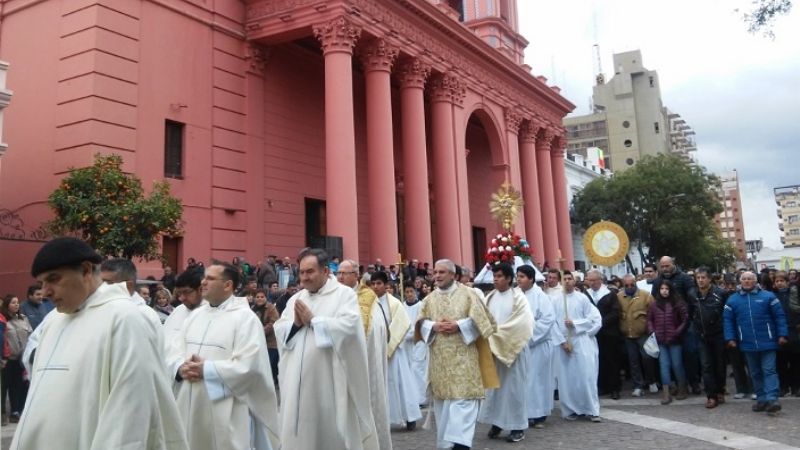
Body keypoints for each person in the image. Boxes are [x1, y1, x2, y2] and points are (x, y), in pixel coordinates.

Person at [12, 237, 188, 449]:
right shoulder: (54, 320)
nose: (46, 291)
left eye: (54, 279)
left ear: (86, 270)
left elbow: (128, 418)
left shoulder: (125, 319)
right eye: (42, 283)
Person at [168, 261, 280, 450]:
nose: (203, 282)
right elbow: (174, 350)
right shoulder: (195, 316)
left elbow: (250, 366)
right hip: (189, 403)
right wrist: (180, 367)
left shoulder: (245, 319)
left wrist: (208, 369)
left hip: (227, 409)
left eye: (210, 278)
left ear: (228, 285)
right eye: (204, 277)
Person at [274, 249, 378, 449]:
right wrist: (295, 324)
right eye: (302, 272)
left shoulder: (343, 295)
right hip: (296, 383)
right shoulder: (297, 299)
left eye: (310, 272)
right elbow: (280, 329)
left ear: (324, 271)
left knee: (329, 434)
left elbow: (349, 327)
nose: (304, 277)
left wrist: (314, 321)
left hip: (329, 380)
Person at [415, 259, 497, 450]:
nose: (437, 276)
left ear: (453, 275)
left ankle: (460, 445)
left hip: (464, 363)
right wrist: (433, 326)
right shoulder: (429, 299)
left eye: (442, 272)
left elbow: (485, 323)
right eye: (435, 272)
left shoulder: (469, 295)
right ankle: (447, 445)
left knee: (463, 405)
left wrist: (459, 325)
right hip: (440, 364)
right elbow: (420, 323)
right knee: (444, 410)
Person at [479, 263, 533, 443]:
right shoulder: (490, 297)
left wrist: (496, 337)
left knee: (514, 390)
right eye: (494, 276)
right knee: (495, 390)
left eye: (500, 276)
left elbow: (522, 323)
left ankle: (517, 426)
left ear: (509, 278)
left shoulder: (519, 298)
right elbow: (483, 320)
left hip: (513, 351)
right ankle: (497, 422)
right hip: (494, 351)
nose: (495, 279)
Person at [724, 271, 789, 414]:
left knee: (769, 370)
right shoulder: (732, 300)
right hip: (747, 343)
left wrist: (782, 334)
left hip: (768, 341)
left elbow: (779, 316)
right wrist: (730, 338)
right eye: (744, 279)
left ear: (755, 281)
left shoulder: (768, 296)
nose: (747, 281)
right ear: (740, 281)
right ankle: (761, 400)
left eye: (750, 279)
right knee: (755, 373)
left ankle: (772, 399)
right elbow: (728, 321)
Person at [371, 271, 421, 432]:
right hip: (376, 351)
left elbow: (402, 325)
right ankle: (381, 418)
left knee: (400, 384)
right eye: (373, 284)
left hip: (393, 351)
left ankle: (409, 417)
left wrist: (388, 343)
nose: (376, 287)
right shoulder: (369, 303)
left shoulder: (394, 304)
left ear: (386, 285)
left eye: (379, 283)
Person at [552, 271, 602, 422]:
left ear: (574, 281)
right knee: (567, 379)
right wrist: (562, 342)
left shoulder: (583, 299)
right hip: (563, 344)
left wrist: (575, 323)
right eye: (564, 279)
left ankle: (591, 409)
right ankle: (570, 410)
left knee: (586, 376)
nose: (567, 281)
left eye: (569, 279)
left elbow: (591, 319)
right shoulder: (555, 300)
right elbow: (552, 323)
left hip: (580, 341)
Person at [516, 265, 562, 429]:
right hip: (520, 346)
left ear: (531, 279)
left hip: (538, 344)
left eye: (522, 276)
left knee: (537, 380)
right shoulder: (516, 295)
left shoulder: (541, 297)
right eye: (517, 276)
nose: (518, 279)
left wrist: (528, 336)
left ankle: (539, 414)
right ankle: (525, 413)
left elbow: (547, 320)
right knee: (524, 380)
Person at [651, 256, 701, 395]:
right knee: (671, 359)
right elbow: (655, 300)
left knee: (690, 353)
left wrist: (688, 316)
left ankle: (694, 382)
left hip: (685, 322)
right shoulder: (658, 281)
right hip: (667, 325)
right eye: (663, 266)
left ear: (673, 264)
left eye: (667, 266)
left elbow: (692, 297)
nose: (665, 269)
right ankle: (674, 385)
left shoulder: (685, 278)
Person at [648, 279, 689, 404]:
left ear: (670, 290)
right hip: (660, 340)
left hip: (675, 340)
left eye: (666, 289)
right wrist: (652, 331)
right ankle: (666, 393)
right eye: (662, 289)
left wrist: (677, 332)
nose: (664, 291)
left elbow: (685, 319)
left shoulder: (678, 303)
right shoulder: (654, 304)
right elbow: (649, 319)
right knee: (664, 366)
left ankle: (682, 388)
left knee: (677, 364)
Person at [692, 267, 728, 408]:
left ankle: (720, 390)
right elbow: (690, 313)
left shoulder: (721, 293)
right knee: (706, 366)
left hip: (718, 334)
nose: (700, 280)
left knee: (720, 365)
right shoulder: (692, 294)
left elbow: (726, 314)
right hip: (702, 336)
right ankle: (711, 396)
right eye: (698, 277)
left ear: (709, 279)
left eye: (703, 277)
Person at [618, 274, 658, 398]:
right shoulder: (619, 297)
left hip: (643, 334)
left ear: (636, 283)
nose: (630, 287)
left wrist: (652, 330)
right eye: (627, 285)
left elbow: (654, 313)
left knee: (647, 358)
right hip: (628, 335)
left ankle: (651, 381)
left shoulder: (646, 296)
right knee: (633, 361)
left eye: (632, 284)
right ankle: (638, 385)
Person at [584, 270, 623, 399]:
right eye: (589, 280)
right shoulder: (586, 295)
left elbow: (615, 313)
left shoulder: (610, 294)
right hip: (593, 334)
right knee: (597, 360)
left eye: (594, 280)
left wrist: (600, 322)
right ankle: (602, 386)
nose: (592, 283)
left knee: (611, 360)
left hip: (609, 333)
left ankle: (614, 388)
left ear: (600, 280)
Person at [100, 258, 163, 332]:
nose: (102, 287)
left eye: (108, 283)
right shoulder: (103, 308)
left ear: (128, 285)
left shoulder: (145, 315)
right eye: (101, 282)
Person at [2, 295, 31, 424]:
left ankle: (18, 410)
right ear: (7, 305)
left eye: (18, 302)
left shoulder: (23, 319)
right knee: (7, 386)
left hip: (22, 358)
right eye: (13, 303)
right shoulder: (4, 321)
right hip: (9, 359)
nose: (16, 305)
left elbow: (30, 334)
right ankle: (7, 413)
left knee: (21, 385)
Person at [401, 285, 428, 407]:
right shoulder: (402, 306)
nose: (409, 294)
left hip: (419, 341)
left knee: (418, 369)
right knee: (408, 369)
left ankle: (421, 398)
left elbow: (422, 323)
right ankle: (411, 397)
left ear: (415, 292)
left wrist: (412, 333)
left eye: (411, 291)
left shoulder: (421, 306)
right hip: (406, 342)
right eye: (407, 291)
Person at [774, 271, 800, 397]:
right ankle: (783, 387)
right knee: (781, 362)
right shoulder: (772, 296)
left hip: (794, 331)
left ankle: (796, 387)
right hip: (779, 334)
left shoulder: (794, 294)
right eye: (777, 281)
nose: (779, 283)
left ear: (787, 282)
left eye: (782, 281)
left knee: (795, 361)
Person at [252, 289, 280, 388]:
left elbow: (273, 323)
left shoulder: (271, 308)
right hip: (257, 342)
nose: (260, 299)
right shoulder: (252, 309)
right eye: (257, 297)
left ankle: (273, 382)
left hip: (270, 342)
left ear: (266, 298)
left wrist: (260, 332)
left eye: (262, 297)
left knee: (270, 364)